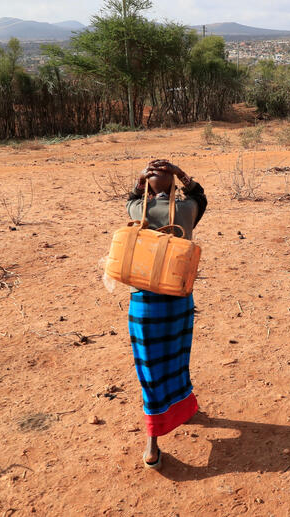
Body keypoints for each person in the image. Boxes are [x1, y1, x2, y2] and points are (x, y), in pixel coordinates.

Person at [125, 159, 207, 470]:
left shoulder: (137, 211)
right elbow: (200, 196)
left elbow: (131, 199)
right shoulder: (186, 212)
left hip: (145, 303)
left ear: (147, 186)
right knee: (176, 358)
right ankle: (183, 409)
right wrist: (180, 172)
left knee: (151, 368)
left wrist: (140, 181)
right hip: (178, 301)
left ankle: (152, 442)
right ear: (173, 185)